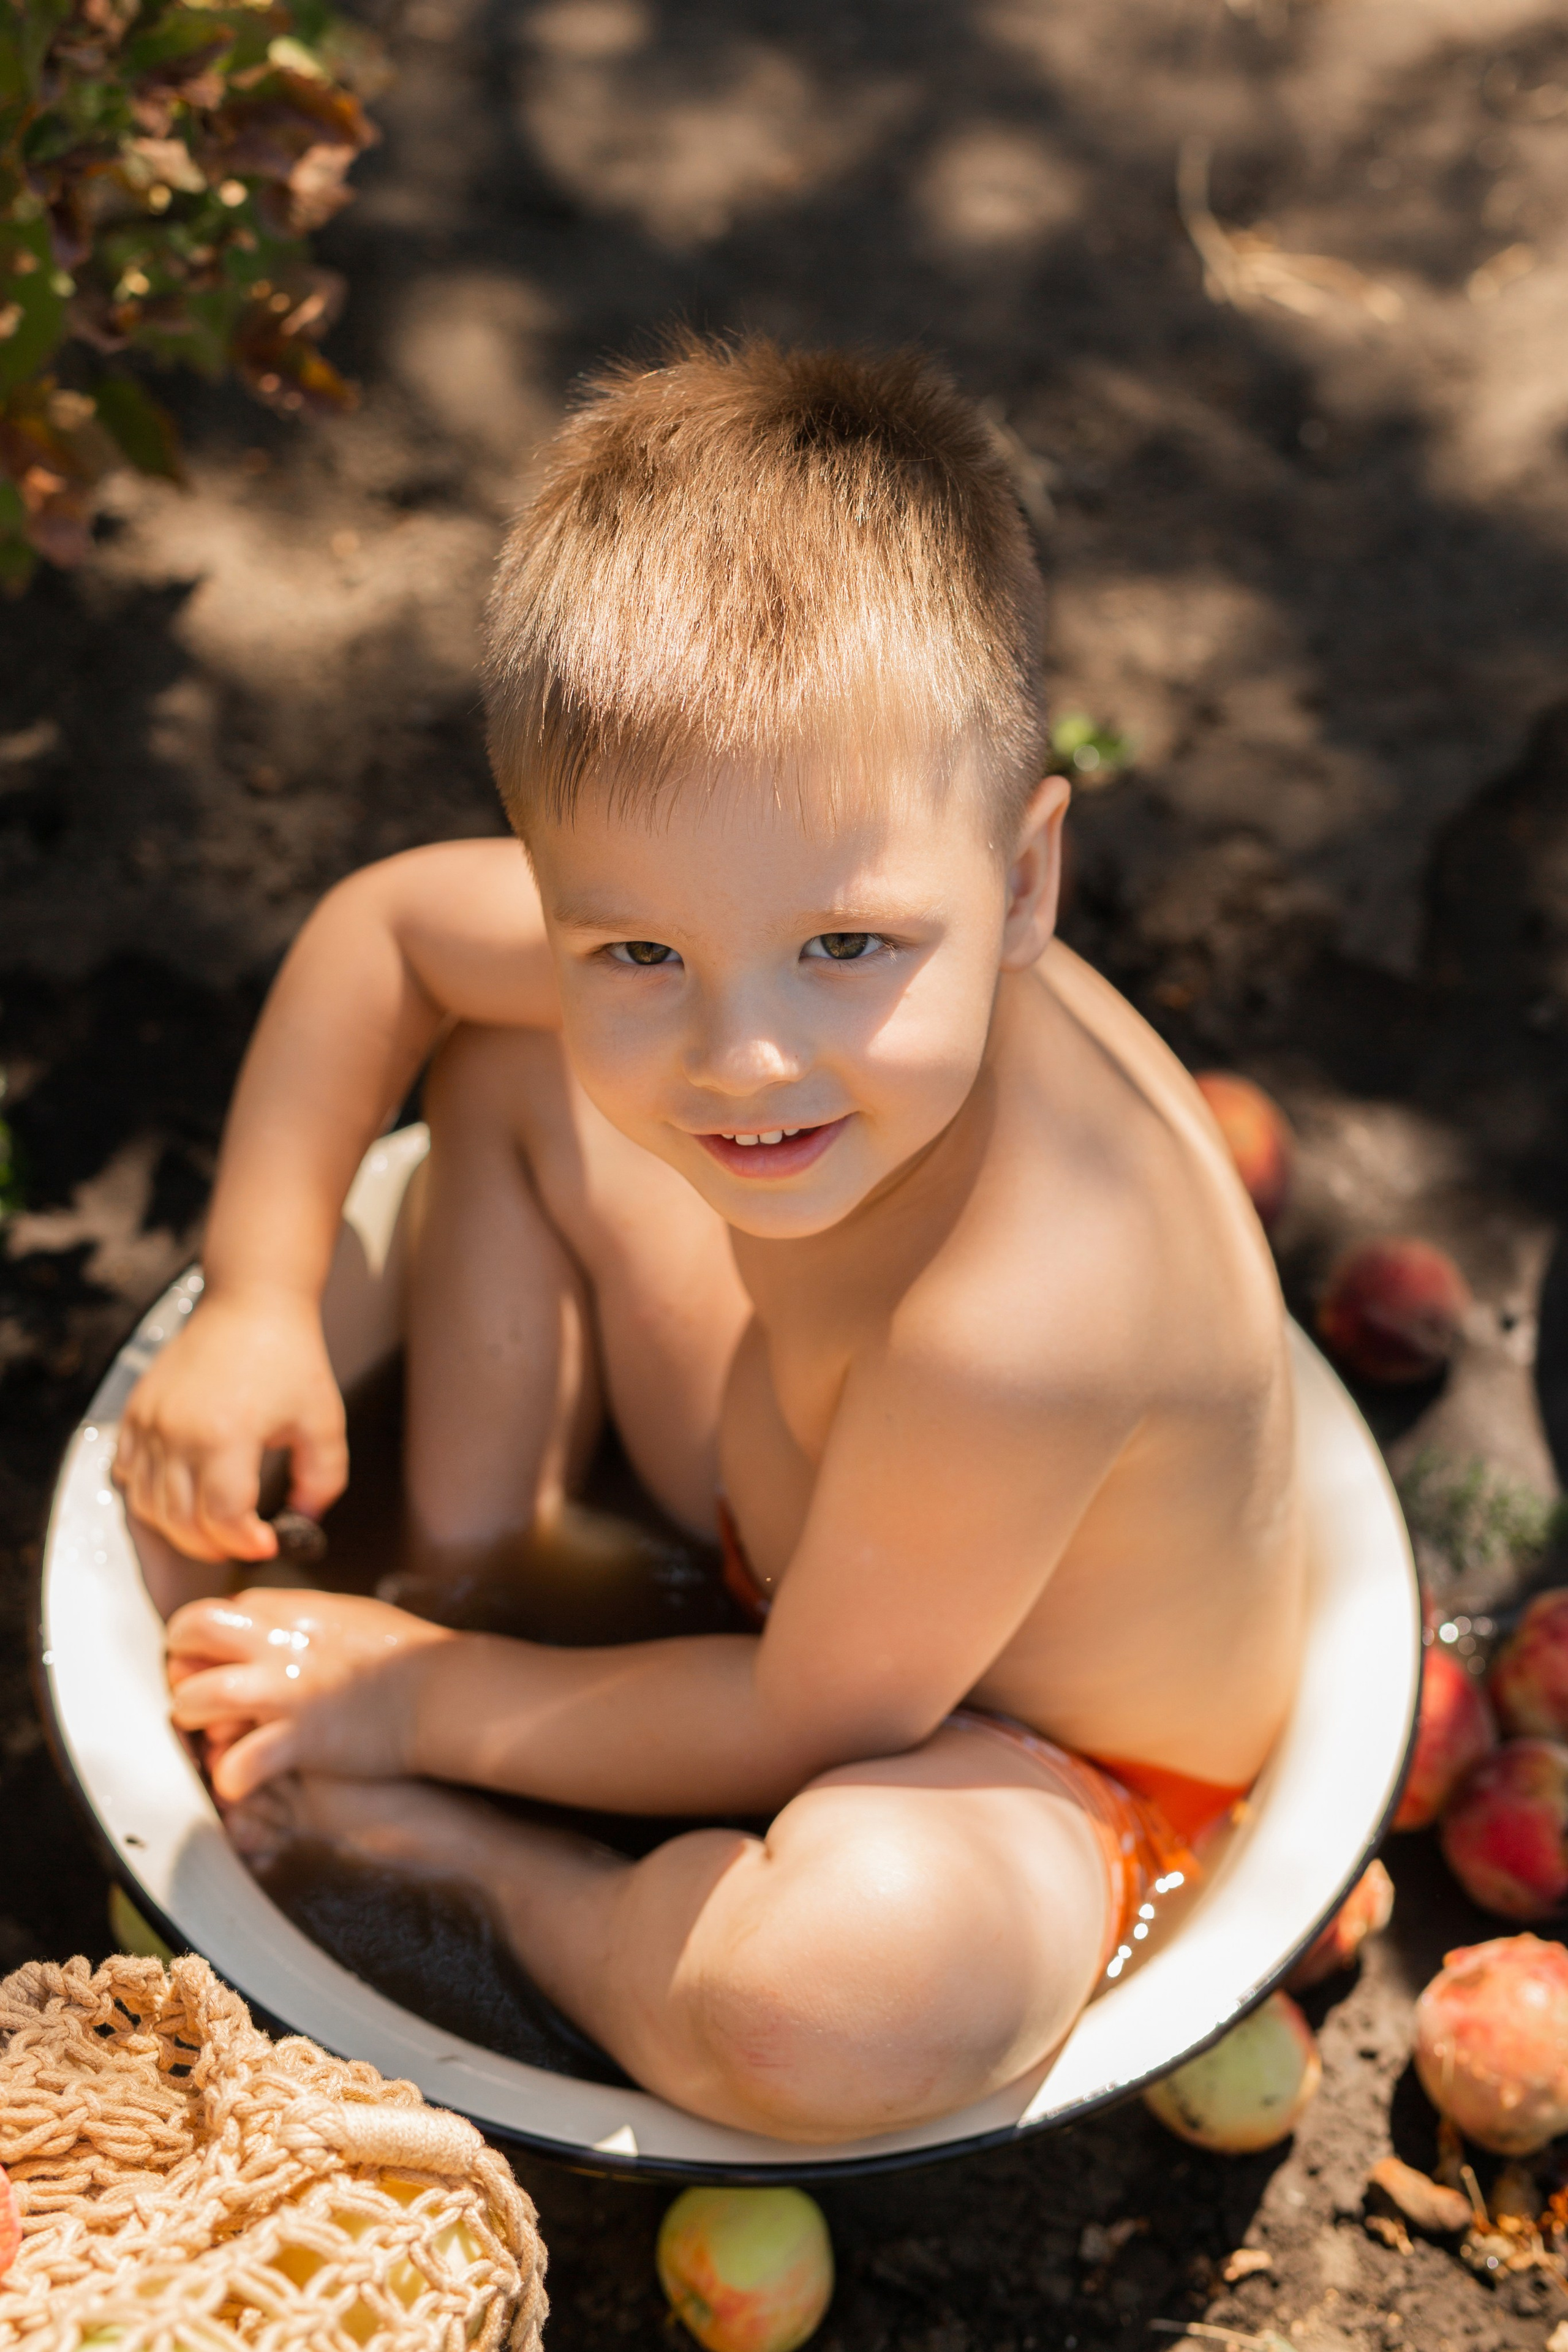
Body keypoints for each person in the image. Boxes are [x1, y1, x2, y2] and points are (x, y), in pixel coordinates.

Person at [115, 336, 1305, 2146]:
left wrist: (425, 1709)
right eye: (640, 955)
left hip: (1021, 1751)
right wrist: (263, 1297)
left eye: (847, 947)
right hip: (794, 1496)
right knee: (517, 1065)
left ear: (1022, 881)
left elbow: (811, 1717)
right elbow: (390, 935)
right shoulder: (797, 960)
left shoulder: (1034, 1309)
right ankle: (475, 1553)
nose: (744, 1060)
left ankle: (498, 1865)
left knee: (836, 1998)